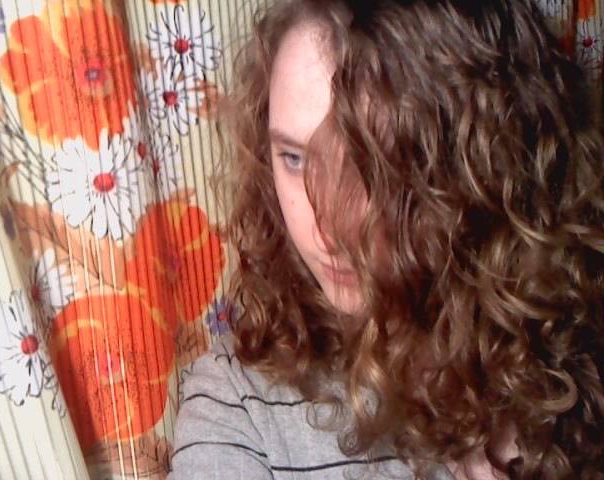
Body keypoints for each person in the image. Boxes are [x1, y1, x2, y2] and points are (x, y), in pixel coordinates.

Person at [170, 0, 604, 478]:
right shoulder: (237, 403)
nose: (329, 228)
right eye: (295, 158)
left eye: (376, 163)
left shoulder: (576, 361)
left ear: (485, 161)